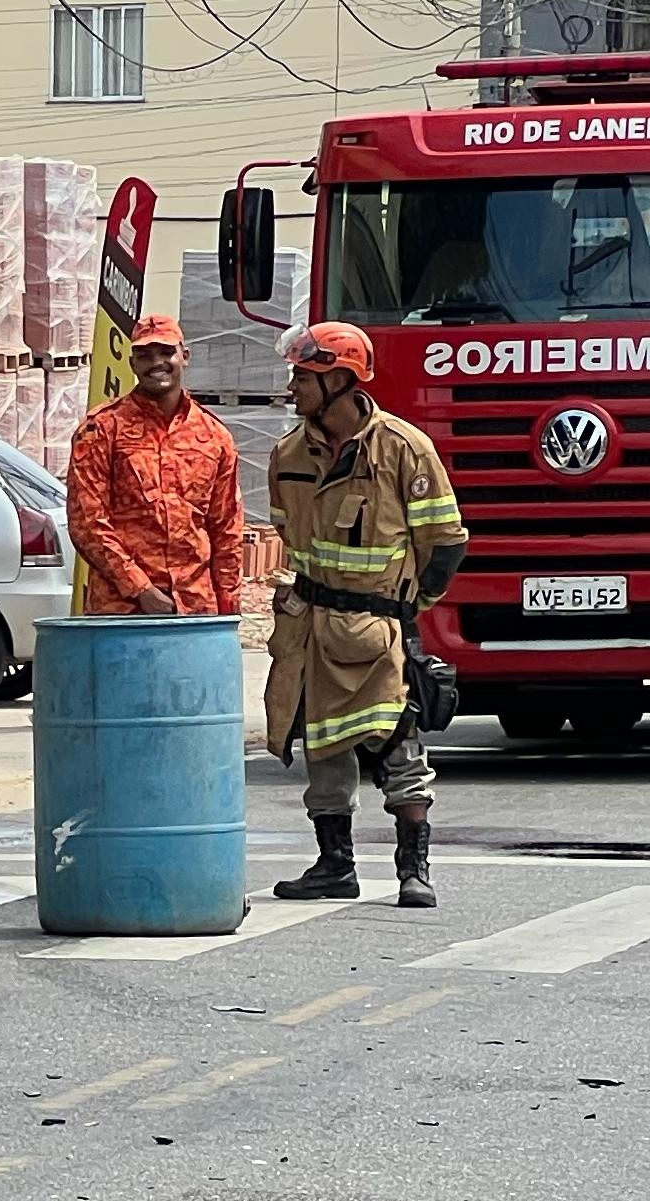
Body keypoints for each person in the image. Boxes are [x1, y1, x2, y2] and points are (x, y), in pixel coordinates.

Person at [265, 319, 468, 907]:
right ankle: (335, 866)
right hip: (309, 629)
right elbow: (287, 533)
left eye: (305, 375)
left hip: (376, 634)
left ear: (343, 381)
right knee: (322, 749)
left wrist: (405, 607)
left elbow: (445, 542)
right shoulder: (287, 455)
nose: (294, 386)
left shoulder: (403, 450)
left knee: (396, 743)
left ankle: (414, 867)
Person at [64, 314, 245, 617]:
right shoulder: (103, 429)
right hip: (122, 610)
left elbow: (226, 527)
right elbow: (87, 522)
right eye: (144, 355)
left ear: (184, 357)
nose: (156, 363)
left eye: (166, 352)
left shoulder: (214, 436)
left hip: (195, 610)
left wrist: (228, 608)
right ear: (132, 363)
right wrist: (140, 589)